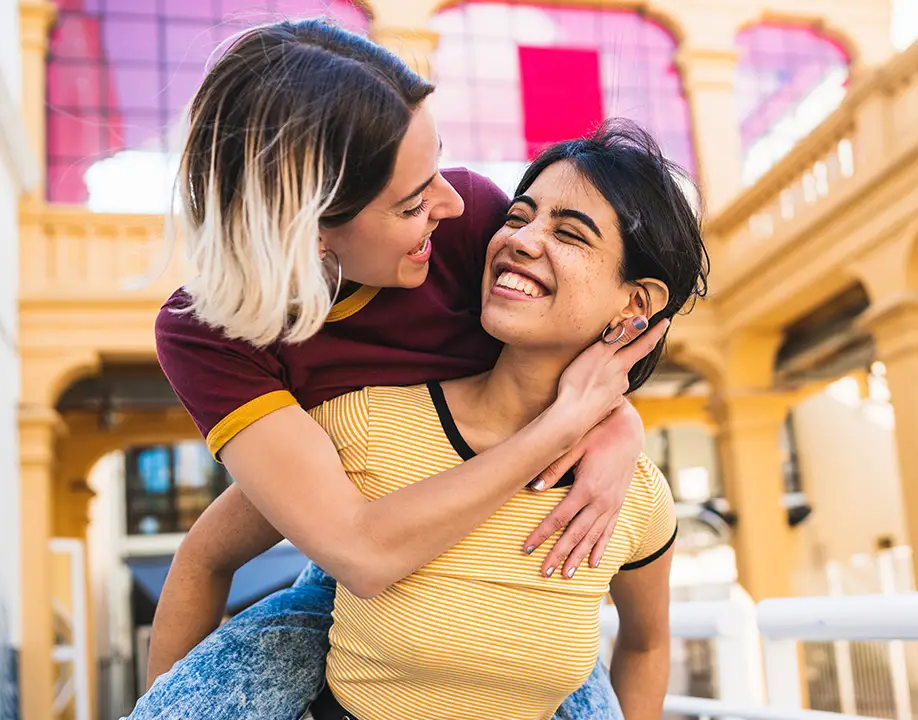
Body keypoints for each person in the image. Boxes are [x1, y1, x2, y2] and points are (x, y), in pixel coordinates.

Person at [134, 19, 664, 720]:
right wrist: (563, 425)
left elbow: (596, 305)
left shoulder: (469, 221)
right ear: (311, 226)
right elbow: (355, 550)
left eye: (437, 166)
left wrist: (615, 421)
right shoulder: (211, 336)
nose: (449, 201)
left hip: (519, 593)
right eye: (413, 202)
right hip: (360, 558)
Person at [303, 119, 707, 720]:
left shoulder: (636, 496)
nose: (521, 239)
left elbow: (647, 644)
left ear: (636, 304)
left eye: (569, 234)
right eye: (518, 217)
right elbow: (207, 558)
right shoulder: (364, 422)